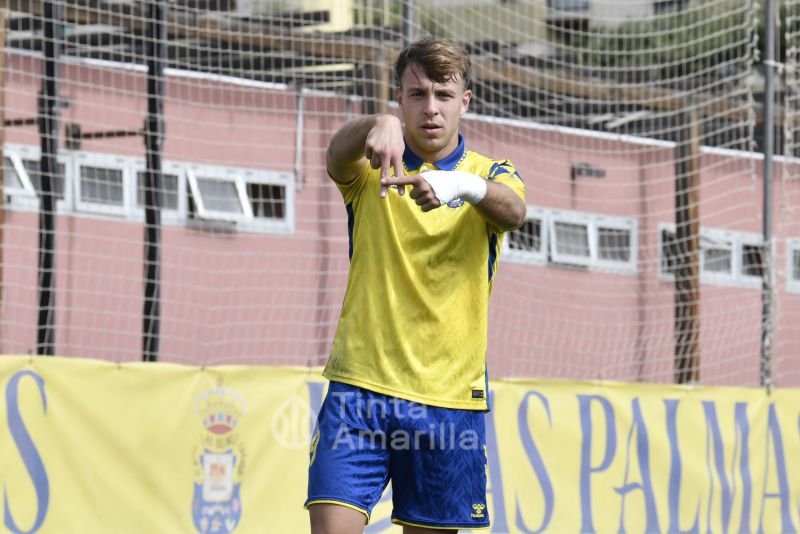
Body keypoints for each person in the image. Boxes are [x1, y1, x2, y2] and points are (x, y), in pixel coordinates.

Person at [305, 37, 526, 534]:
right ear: (399, 97)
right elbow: (334, 158)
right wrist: (374, 123)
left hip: (448, 400)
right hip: (360, 389)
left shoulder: (489, 174)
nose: (431, 108)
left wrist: (463, 188)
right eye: (417, 94)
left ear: (464, 101)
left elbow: (515, 211)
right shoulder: (370, 168)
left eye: (444, 96)